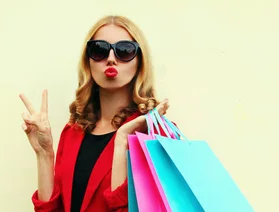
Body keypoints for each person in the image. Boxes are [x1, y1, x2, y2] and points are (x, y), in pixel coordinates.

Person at [19, 15, 172, 212]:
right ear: (88, 61)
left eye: (124, 51)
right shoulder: (73, 131)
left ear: (140, 62)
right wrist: (44, 154)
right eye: (99, 50)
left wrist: (122, 142)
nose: (110, 59)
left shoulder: (155, 133)